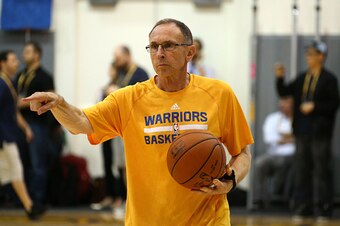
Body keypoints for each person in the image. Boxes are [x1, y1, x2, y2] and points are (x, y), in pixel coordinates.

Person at [23, 18, 253, 226]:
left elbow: (242, 153)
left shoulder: (219, 93)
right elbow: (81, 122)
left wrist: (230, 180)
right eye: (154, 46)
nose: (160, 53)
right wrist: (60, 105)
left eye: (169, 45)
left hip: (209, 221)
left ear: (190, 52)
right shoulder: (129, 98)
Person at [275, 40, 339, 220]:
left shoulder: (329, 79)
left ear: (322, 56)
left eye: (312, 54)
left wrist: (315, 106)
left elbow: (334, 104)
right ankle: (304, 207)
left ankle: (324, 208)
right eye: (307, 54)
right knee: (302, 170)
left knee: (321, 171)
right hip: (302, 132)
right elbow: (284, 92)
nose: (308, 58)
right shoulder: (303, 77)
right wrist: (280, 77)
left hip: (320, 134)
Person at [0, 50, 45, 220]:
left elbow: (14, 112)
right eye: (12, 60)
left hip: (8, 135)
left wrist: (26, 128)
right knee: (14, 171)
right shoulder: (1, 84)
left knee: (14, 172)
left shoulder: (9, 83)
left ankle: (30, 206)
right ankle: (30, 206)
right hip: (3, 138)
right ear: (2, 63)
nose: (17, 63)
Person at [14, 41, 59, 205]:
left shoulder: (45, 77)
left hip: (37, 124)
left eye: (27, 52)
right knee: (21, 162)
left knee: (37, 163)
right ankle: (23, 200)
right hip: (18, 123)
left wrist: (23, 102)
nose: (23, 54)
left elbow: (50, 99)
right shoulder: (20, 75)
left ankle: (37, 199)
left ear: (37, 54)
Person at [91, 62, 127, 219]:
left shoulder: (123, 87)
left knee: (121, 167)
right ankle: (110, 197)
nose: (110, 72)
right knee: (109, 164)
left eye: (113, 69)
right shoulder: (105, 87)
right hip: (105, 128)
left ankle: (122, 198)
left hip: (119, 132)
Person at [252, 96, 295, 210]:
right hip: (274, 156)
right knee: (259, 163)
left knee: (297, 165)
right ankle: (259, 199)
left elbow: (302, 139)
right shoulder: (273, 119)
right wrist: (291, 138)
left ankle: (289, 200)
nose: (282, 105)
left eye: (286, 102)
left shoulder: (298, 119)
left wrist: (282, 138)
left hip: (293, 156)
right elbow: (269, 139)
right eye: (281, 102)